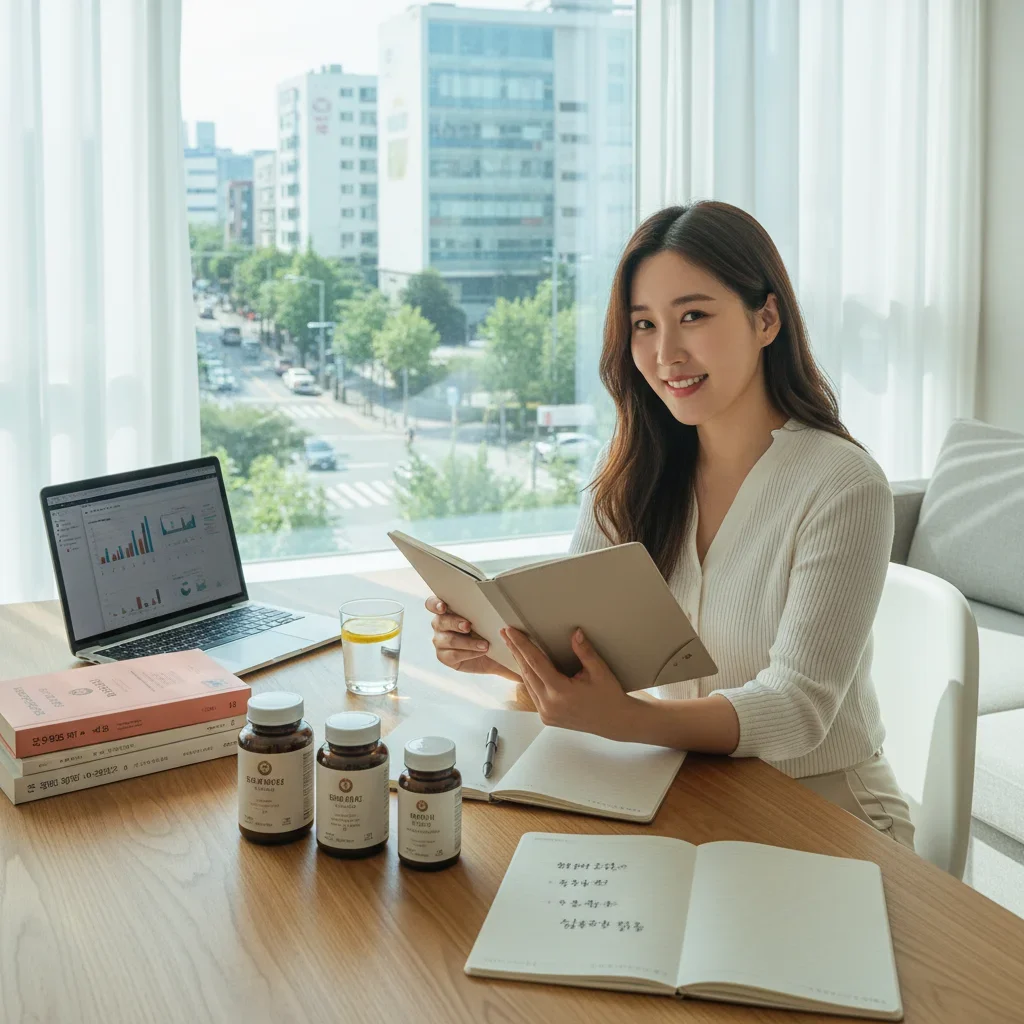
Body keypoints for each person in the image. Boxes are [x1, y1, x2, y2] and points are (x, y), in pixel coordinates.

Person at [425, 201, 915, 849]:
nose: (665, 353)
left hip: (825, 806)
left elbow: (798, 711)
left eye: (693, 316)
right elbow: (586, 652)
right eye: (643, 325)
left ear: (765, 319)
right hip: (693, 791)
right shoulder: (633, 464)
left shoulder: (842, 484)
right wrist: (500, 652)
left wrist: (628, 721)